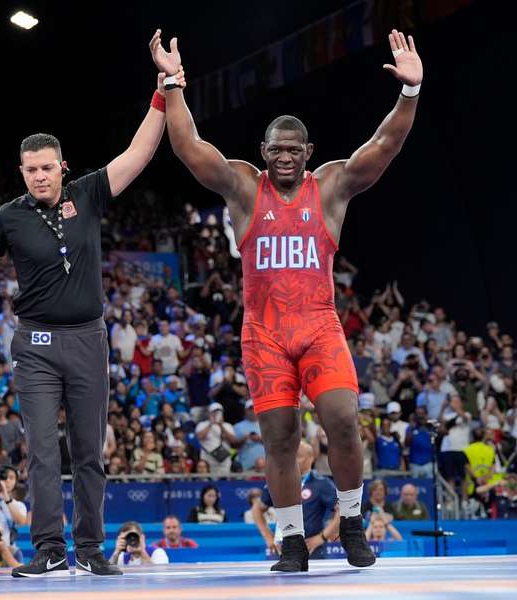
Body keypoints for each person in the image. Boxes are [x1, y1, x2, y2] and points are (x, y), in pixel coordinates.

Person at [151, 26, 423, 571]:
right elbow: (187, 147)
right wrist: (174, 83)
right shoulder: (245, 187)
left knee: (343, 419)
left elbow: (384, 145)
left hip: (319, 327)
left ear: (308, 152)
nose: (284, 158)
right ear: (263, 151)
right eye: (276, 149)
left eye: (294, 150)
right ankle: (292, 540)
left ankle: (350, 522)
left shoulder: (331, 186)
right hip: (265, 333)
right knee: (279, 437)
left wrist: (409, 92)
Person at [0, 41, 186, 578]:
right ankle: (48, 549)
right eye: (30, 170)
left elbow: (137, 153)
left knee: (88, 452)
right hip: (36, 344)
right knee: (42, 451)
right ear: (21, 172)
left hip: (88, 338)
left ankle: (90, 548)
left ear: (62, 166)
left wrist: (163, 93)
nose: (39, 177)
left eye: (47, 168)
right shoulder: (8, 218)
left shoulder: (88, 193)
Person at [251, 442, 340, 562]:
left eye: (298, 456)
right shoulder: (279, 480)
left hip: (311, 549)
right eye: (291, 456)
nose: (292, 460)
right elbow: (257, 508)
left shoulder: (321, 483)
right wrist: (268, 537)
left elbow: (342, 510)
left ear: (310, 458)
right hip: (282, 547)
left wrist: (322, 537)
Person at [195, 403, 236, 475]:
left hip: (223, 459)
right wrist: (211, 423)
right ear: (209, 413)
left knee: (224, 479)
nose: (216, 414)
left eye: (218, 412)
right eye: (214, 412)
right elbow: (199, 437)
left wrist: (221, 425)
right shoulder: (202, 424)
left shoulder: (227, 425)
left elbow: (233, 440)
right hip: (207, 458)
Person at [233, 399, 266, 470]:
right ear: (245, 410)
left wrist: (259, 439)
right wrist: (245, 438)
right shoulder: (237, 426)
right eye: (250, 409)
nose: (253, 411)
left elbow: (274, 444)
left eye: (255, 408)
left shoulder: (266, 424)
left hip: (265, 466)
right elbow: (233, 446)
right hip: (245, 466)